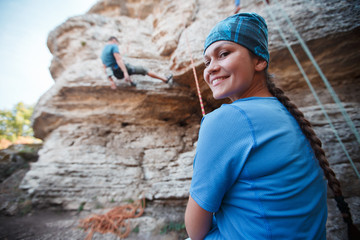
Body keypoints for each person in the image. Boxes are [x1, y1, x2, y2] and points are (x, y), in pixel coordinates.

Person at [185, 13, 359, 240]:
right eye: (207, 61)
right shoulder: (287, 114)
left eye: (224, 54)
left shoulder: (227, 120)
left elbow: (195, 230)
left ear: (259, 60)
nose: (210, 69)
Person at [101, 36, 173, 89]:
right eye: (117, 44)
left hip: (116, 74)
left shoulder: (103, 52)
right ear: (114, 41)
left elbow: (105, 67)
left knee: (129, 67)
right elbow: (118, 59)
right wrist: (125, 73)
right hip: (120, 70)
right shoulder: (113, 46)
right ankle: (165, 79)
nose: (117, 45)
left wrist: (111, 81)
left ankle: (131, 82)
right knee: (143, 69)